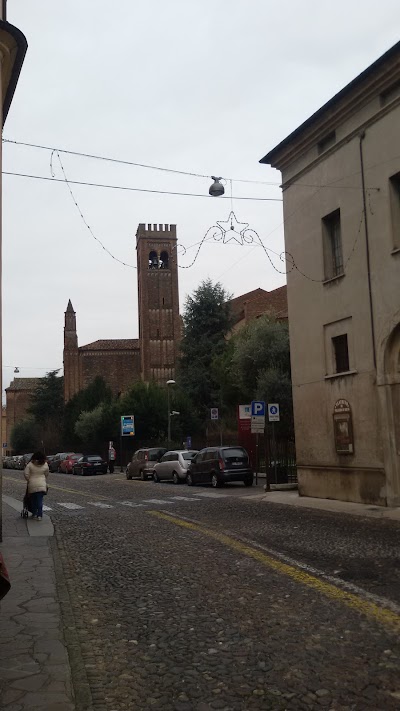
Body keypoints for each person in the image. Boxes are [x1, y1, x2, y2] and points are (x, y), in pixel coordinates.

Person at [24, 451, 49, 521]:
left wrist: (29, 480)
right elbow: (47, 473)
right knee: (39, 500)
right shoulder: (45, 464)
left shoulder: (30, 464)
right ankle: (39, 515)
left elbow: (26, 474)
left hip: (32, 484)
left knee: (33, 500)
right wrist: (43, 479)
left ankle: (34, 513)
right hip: (42, 484)